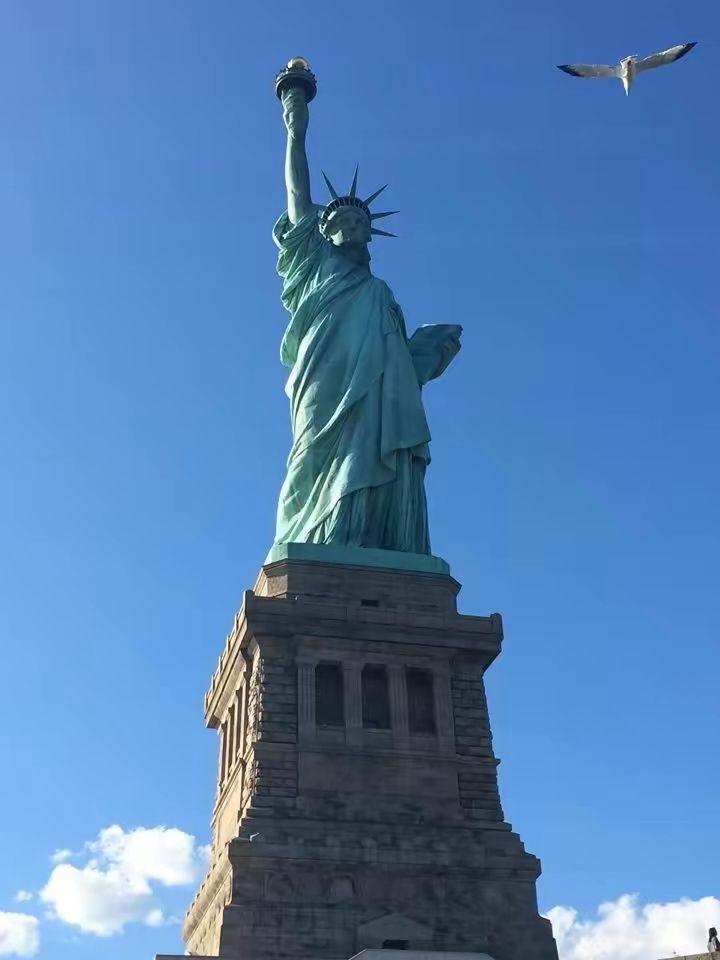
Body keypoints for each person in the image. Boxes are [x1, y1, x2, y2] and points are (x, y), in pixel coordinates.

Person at [271, 85, 461, 554]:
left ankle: (364, 537)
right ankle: (310, 537)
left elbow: (398, 366)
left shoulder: (380, 293)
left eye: (359, 223)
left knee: (372, 445)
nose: (352, 227)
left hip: (378, 393)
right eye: (341, 222)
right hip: (324, 370)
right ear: (325, 230)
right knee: (311, 453)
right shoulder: (314, 264)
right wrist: (295, 129)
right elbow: (297, 191)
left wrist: (425, 352)